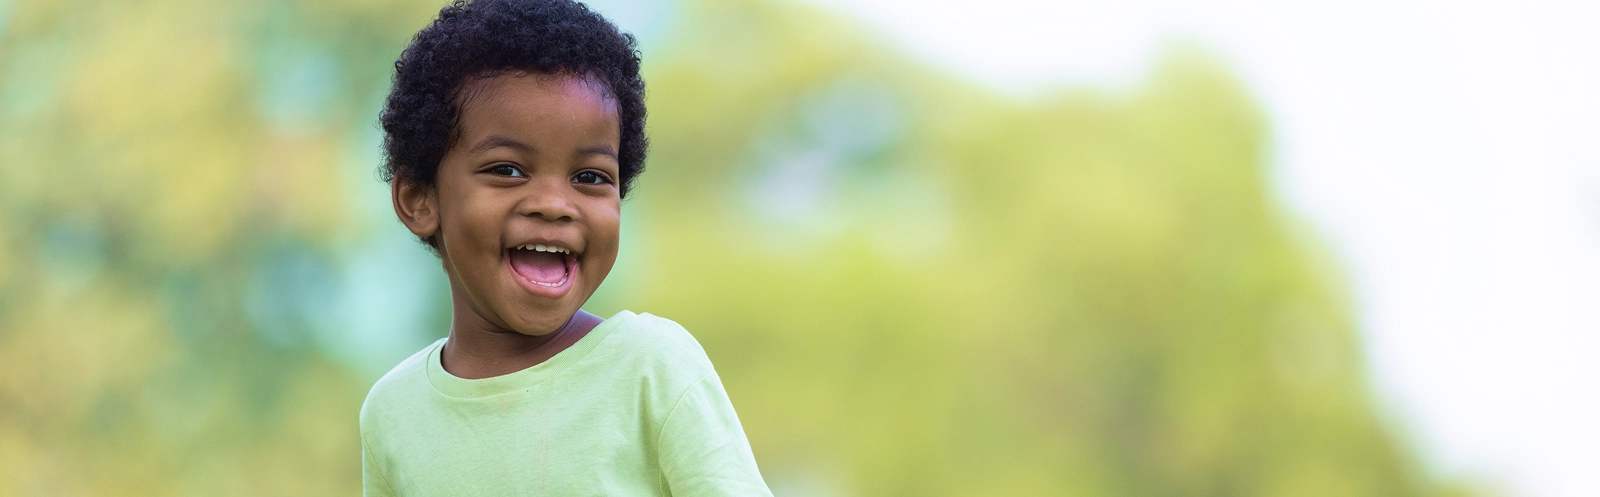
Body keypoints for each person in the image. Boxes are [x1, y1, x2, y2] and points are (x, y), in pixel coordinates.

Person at [358, 0, 772, 495]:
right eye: (507, 169)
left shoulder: (652, 368)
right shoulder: (392, 412)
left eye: (590, 177)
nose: (555, 204)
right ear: (419, 200)